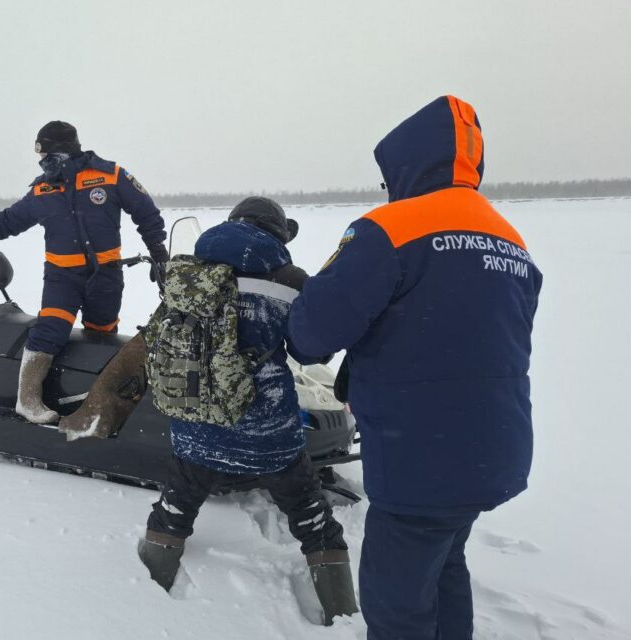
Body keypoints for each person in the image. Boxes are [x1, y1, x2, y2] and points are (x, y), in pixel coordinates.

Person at [288, 96, 542, 639]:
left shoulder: (391, 228)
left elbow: (311, 335)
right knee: (446, 566)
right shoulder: (509, 239)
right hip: (494, 448)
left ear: (404, 164)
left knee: (395, 603)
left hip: (421, 459)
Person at [137, 197, 358, 626]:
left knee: (177, 504)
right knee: (310, 513)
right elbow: (311, 351)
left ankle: (150, 579)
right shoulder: (291, 280)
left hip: (195, 421)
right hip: (267, 430)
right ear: (278, 233)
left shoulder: (186, 270)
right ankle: (342, 610)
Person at [0, 121, 169, 424]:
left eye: (43, 151)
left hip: (106, 276)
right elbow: (6, 222)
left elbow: (146, 213)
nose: (40, 158)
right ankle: (27, 399)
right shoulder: (42, 189)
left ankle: (91, 396)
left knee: (100, 336)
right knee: (50, 330)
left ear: (59, 151)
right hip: (63, 277)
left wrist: (160, 255)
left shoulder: (110, 175)